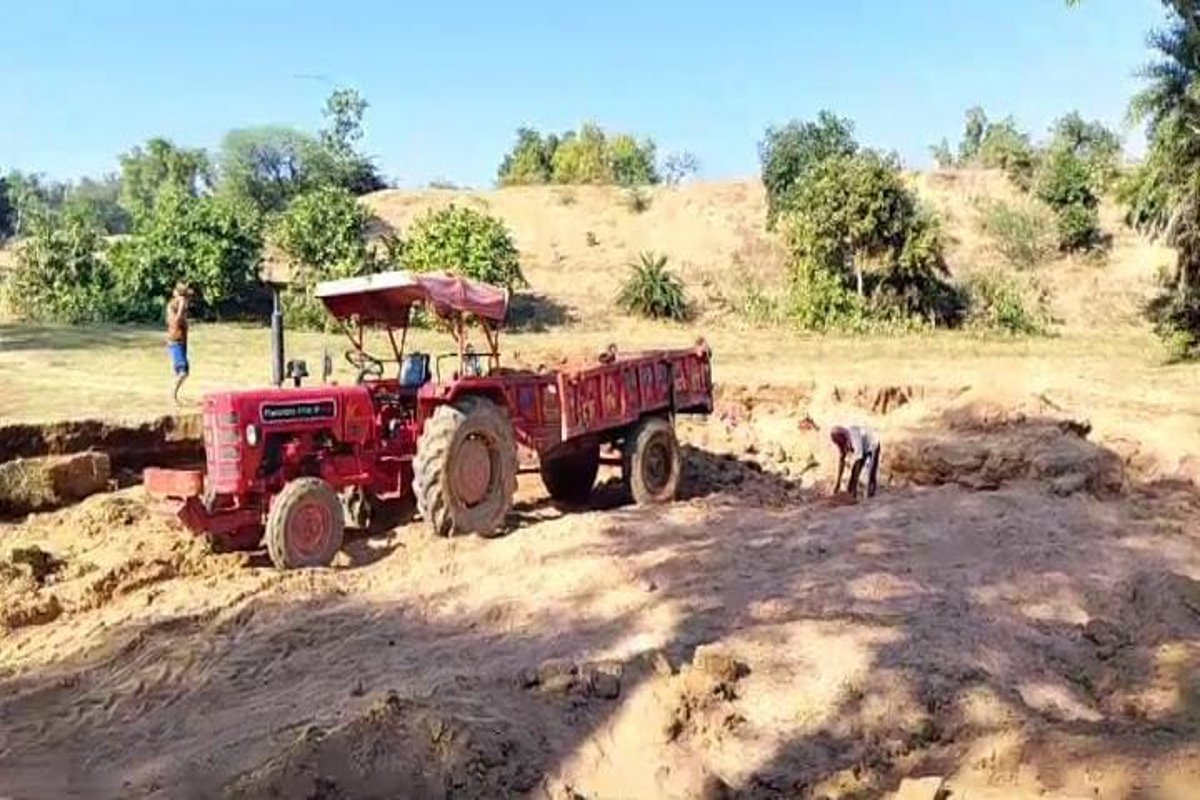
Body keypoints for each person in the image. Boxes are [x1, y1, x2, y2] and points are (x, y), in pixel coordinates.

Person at [830, 425, 881, 499]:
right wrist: (838, 483)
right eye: (836, 443)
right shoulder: (843, 440)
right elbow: (842, 461)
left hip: (873, 444)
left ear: (842, 437)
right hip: (864, 446)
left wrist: (855, 485)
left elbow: (859, 460)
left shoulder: (854, 438)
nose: (838, 445)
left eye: (838, 442)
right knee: (853, 478)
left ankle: (871, 499)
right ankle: (853, 493)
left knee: (870, 474)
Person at [166, 283, 192, 406]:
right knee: (183, 372)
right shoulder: (176, 304)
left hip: (179, 341)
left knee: (180, 371)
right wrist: (181, 306)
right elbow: (176, 321)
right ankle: (172, 396)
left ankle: (175, 396)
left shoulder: (173, 304)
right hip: (176, 341)